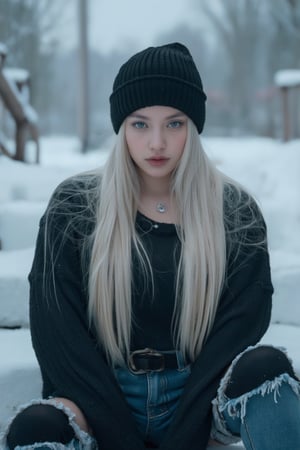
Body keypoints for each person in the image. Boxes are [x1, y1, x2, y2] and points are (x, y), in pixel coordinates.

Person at [1, 42, 299, 450]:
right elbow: (59, 337)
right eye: (140, 124)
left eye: (174, 124)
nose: (156, 142)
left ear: (193, 126)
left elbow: (240, 329)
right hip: (99, 395)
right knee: (35, 426)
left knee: (270, 371)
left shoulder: (235, 212)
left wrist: (188, 433)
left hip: (203, 393)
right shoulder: (75, 208)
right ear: (121, 126)